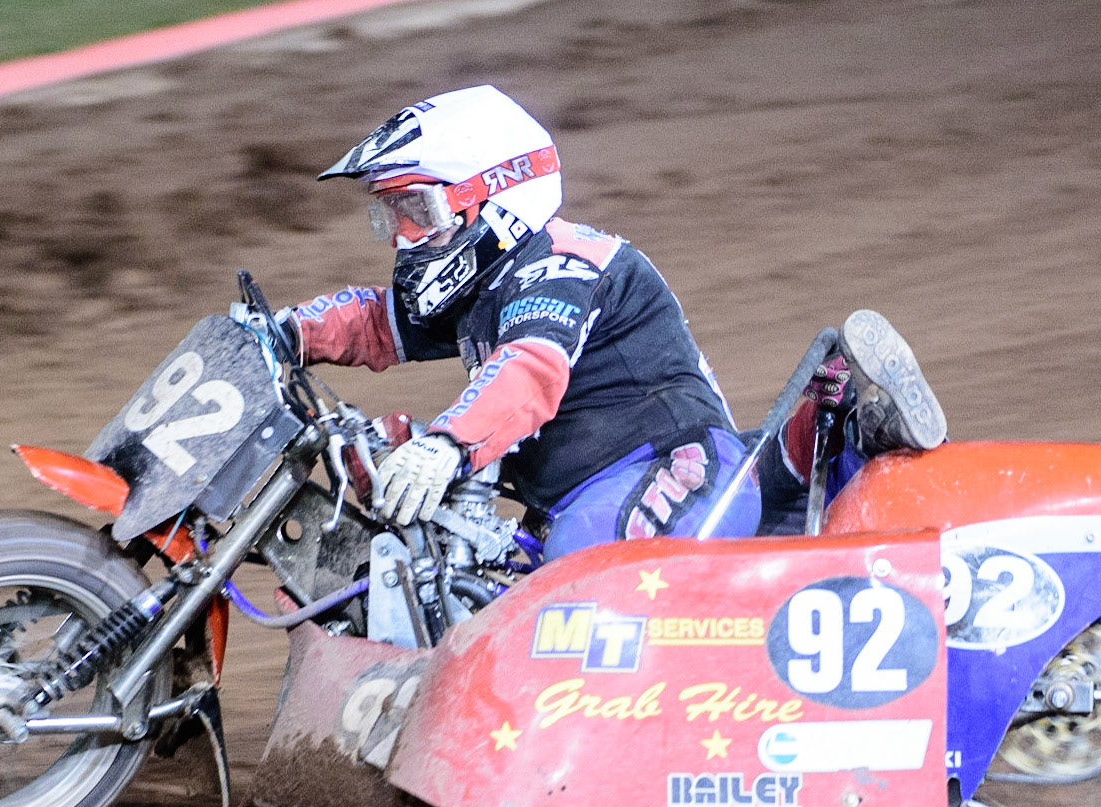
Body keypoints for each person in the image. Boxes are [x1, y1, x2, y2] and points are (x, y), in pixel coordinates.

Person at [286, 84, 943, 556]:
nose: (403, 237)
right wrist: (281, 333)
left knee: (569, 579)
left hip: (672, 470)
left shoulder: (564, 263)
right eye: (389, 216)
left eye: (417, 212)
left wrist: (446, 445)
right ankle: (832, 436)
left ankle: (844, 434)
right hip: (586, 495)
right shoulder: (487, 281)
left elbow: (528, 371)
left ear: (492, 195)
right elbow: (379, 322)